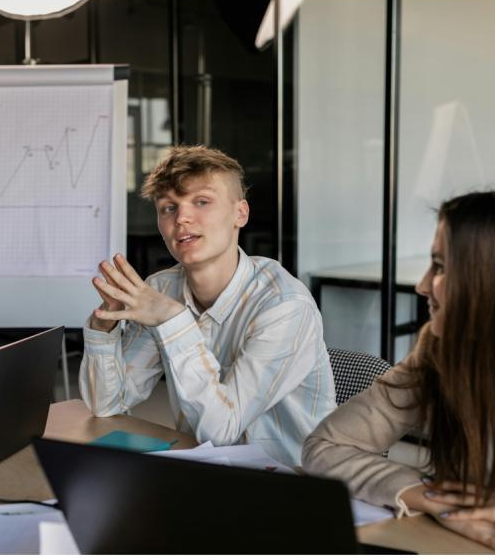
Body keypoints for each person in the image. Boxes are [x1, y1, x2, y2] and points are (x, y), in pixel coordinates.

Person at [303, 187, 495, 554]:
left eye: (441, 267)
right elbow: (326, 446)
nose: (422, 285)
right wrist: (433, 497)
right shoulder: (441, 348)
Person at [79, 145, 336, 467]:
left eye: (201, 202)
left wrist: (174, 321)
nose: (182, 218)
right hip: (203, 467)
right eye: (168, 208)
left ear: (240, 214)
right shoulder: (162, 289)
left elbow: (222, 430)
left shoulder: (285, 306)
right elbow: (107, 403)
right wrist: (105, 326)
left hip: (290, 482)